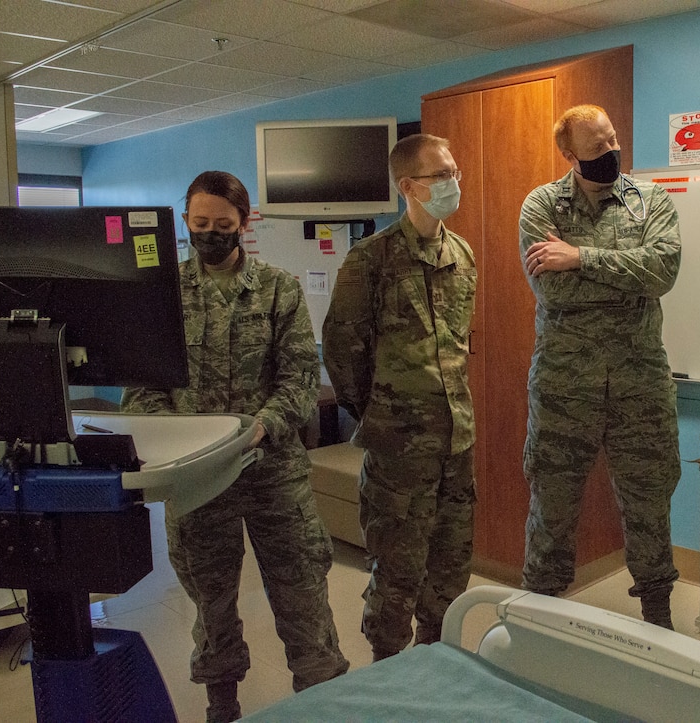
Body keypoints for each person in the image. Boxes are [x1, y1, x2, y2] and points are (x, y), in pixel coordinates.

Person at [122, 171, 349, 722]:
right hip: (197, 482)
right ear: (186, 223)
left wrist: (261, 427)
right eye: (200, 225)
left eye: (224, 225)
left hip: (273, 473)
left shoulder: (279, 288)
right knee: (212, 604)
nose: (212, 234)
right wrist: (179, 445)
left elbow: (299, 379)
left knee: (304, 599)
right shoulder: (161, 295)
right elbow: (141, 390)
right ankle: (221, 707)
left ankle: (322, 706)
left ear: (243, 225)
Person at [519, 104, 682, 628]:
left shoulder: (649, 200)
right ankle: (539, 620)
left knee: (650, 504)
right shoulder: (541, 204)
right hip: (564, 388)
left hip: (642, 385)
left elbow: (661, 271)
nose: (611, 153)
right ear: (569, 156)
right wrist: (614, 275)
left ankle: (659, 617)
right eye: (597, 148)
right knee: (552, 507)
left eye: (614, 140)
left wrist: (581, 258)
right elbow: (554, 288)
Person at [322, 134, 477, 661]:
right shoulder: (371, 260)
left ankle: (436, 669)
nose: (453, 182)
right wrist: (379, 411)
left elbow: (459, 345)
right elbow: (343, 351)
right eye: (440, 175)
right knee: (397, 575)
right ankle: (389, 674)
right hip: (398, 452)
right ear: (408, 187)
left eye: (454, 171)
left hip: (456, 445)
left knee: (450, 573)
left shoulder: (462, 255)